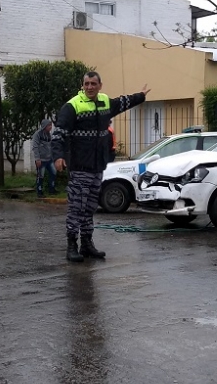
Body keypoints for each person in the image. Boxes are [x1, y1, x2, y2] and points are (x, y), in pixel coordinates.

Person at [52, 72, 150, 262]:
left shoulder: (104, 102)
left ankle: (87, 245)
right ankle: (72, 245)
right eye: (86, 84)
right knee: (76, 208)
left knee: (89, 208)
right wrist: (58, 156)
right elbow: (59, 134)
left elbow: (122, 102)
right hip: (80, 166)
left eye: (93, 84)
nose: (90, 87)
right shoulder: (72, 106)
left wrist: (141, 96)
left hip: (97, 167)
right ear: (82, 86)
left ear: (100, 85)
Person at [31, 118, 57, 197]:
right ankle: (39, 191)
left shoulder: (49, 135)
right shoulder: (38, 134)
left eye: (51, 125)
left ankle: (51, 189)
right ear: (44, 126)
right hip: (41, 160)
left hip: (49, 159)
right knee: (40, 175)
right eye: (49, 125)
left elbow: (50, 146)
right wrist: (37, 159)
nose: (50, 127)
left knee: (54, 172)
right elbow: (35, 147)